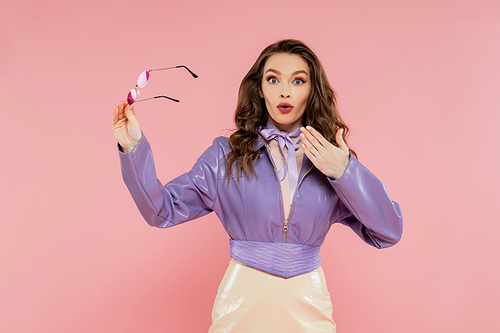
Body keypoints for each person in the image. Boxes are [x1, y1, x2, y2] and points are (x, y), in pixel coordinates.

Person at [112, 39, 403, 332]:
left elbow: (388, 231)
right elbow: (160, 210)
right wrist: (132, 146)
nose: (284, 91)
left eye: (298, 81)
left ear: (312, 91)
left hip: (308, 305)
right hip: (242, 305)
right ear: (260, 89)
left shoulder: (330, 158)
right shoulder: (225, 156)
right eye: (273, 79)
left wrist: (344, 171)